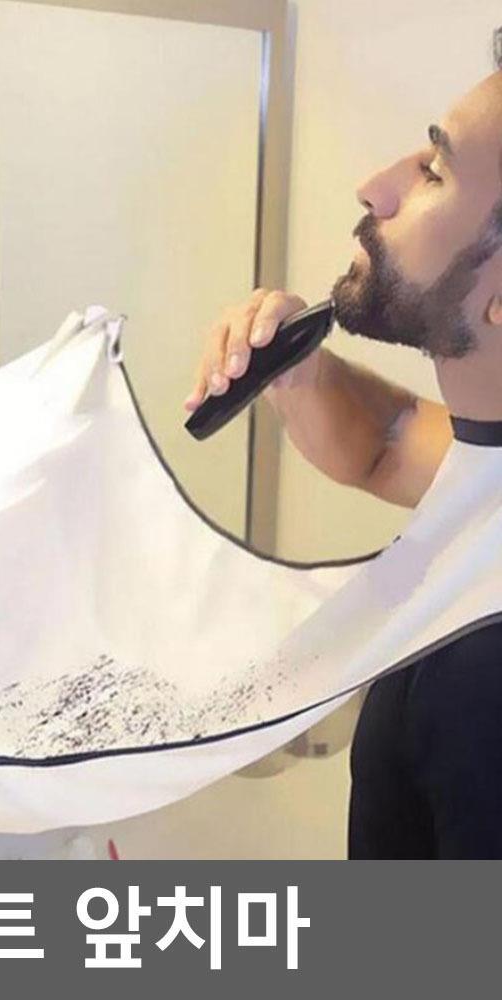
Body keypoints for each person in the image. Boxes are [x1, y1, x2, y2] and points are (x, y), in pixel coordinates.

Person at [186, 68, 502, 858]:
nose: (374, 187)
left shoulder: (483, 673)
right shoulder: (486, 467)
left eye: (435, 171)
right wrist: (302, 374)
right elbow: (390, 443)